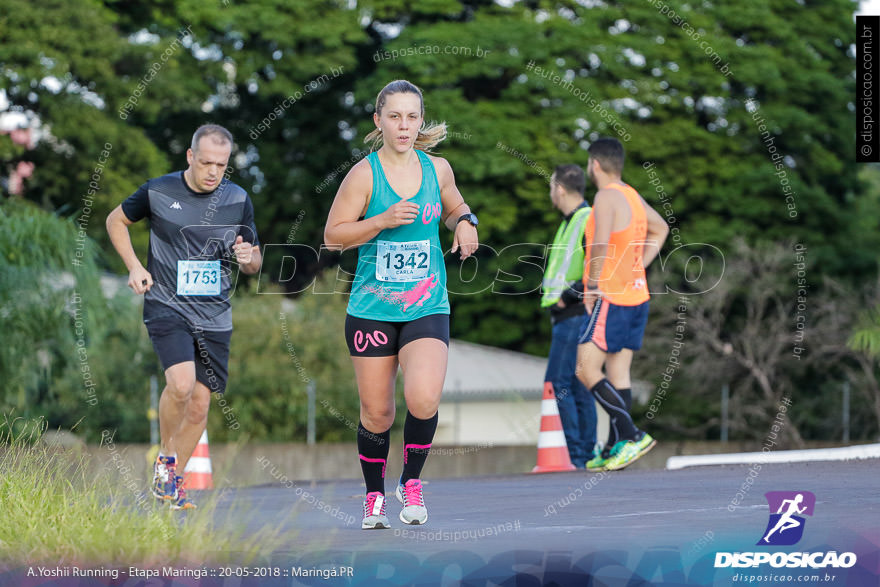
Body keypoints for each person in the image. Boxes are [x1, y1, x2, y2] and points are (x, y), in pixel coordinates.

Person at [324, 80, 478, 529]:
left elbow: (454, 206)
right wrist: (382, 220)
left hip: (426, 303)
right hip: (372, 308)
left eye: (412, 117)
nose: (404, 125)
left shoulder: (438, 169)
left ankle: (411, 482)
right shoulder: (364, 175)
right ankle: (374, 496)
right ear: (379, 121)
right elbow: (333, 236)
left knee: (424, 397)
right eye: (395, 116)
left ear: (421, 121)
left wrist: (465, 221)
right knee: (378, 412)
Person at [106, 124, 261, 509]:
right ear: (190, 157)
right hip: (167, 305)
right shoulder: (158, 190)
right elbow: (115, 221)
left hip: (215, 315)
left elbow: (254, 259)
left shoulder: (238, 198)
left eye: (221, 166)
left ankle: (169, 480)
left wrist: (248, 259)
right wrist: (133, 266)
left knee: (200, 405)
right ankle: (165, 458)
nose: (213, 172)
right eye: (206, 162)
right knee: (180, 384)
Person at [576, 137, 668, 472]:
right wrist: (639, 265)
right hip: (637, 296)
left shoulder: (605, 196)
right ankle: (618, 447)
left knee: (585, 368)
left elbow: (600, 244)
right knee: (618, 372)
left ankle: (631, 435)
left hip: (612, 296)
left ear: (594, 164)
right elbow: (661, 229)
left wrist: (594, 285)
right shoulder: (631, 194)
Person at [540, 165, 597, 469]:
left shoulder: (585, 219)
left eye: (552, 186)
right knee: (577, 383)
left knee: (558, 381)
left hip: (574, 314)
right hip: (570, 316)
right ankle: (585, 454)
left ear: (560, 188)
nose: (551, 193)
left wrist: (566, 297)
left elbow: (597, 266)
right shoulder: (572, 221)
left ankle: (578, 454)